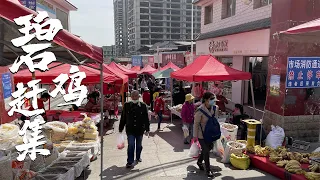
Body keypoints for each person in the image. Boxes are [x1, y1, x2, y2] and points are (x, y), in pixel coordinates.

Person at [119, 90, 150, 168]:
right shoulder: (126, 105)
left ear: (138, 97)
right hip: (130, 129)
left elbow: (146, 118)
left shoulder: (143, 106)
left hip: (140, 130)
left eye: (136, 96)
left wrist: (147, 129)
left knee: (139, 145)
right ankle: (130, 161)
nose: (134, 97)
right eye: (133, 96)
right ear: (130, 97)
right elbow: (123, 117)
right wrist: (121, 128)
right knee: (131, 145)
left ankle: (138, 157)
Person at [193, 92, 219, 177]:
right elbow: (196, 124)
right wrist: (195, 136)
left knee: (208, 149)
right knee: (206, 151)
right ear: (206, 100)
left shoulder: (215, 108)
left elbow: (215, 119)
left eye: (213, 99)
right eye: (211, 99)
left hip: (211, 134)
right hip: (202, 135)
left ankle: (199, 161)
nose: (213, 101)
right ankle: (208, 170)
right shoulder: (199, 110)